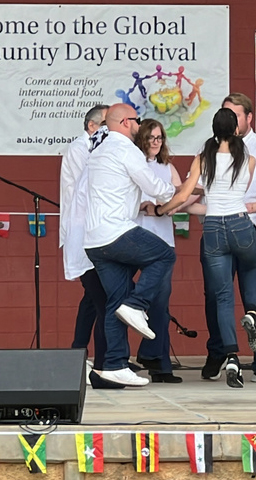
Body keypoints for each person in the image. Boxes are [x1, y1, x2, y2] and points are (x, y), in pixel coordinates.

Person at [148, 107, 256, 389]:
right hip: (240, 223)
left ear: (213, 130)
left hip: (212, 227)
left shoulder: (203, 158)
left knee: (222, 296)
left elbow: (186, 194)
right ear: (236, 129)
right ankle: (251, 313)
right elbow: (241, 188)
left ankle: (232, 355)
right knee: (252, 268)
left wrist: (163, 211)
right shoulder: (249, 158)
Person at [84, 103, 176, 388]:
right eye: (136, 120)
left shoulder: (99, 151)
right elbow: (157, 188)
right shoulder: (126, 149)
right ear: (125, 122)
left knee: (115, 301)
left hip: (94, 240)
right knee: (164, 255)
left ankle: (114, 365)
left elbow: (118, 190)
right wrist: (176, 190)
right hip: (116, 231)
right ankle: (137, 305)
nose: (139, 125)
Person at [201, 93, 256, 384]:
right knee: (215, 294)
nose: (230, 120)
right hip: (217, 227)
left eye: (235, 114)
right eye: (225, 114)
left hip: (254, 228)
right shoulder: (211, 150)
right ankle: (219, 353)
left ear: (249, 118)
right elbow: (197, 187)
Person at [59, 104, 109, 376]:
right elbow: (91, 186)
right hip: (85, 230)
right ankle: (104, 362)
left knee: (92, 298)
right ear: (92, 126)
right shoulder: (81, 149)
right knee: (101, 298)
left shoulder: (98, 148)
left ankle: (79, 352)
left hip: (96, 229)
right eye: (105, 123)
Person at [133, 119, 183, 383]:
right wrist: (150, 206)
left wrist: (170, 205)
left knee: (161, 302)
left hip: (163, 239)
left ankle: (160, 365)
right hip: (136, 237)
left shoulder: (167, 166)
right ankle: (128, 358)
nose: (155, 142)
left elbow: (179, 193)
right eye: (151, 137)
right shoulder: (134, 163)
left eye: (159, 137)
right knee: (128, 300)